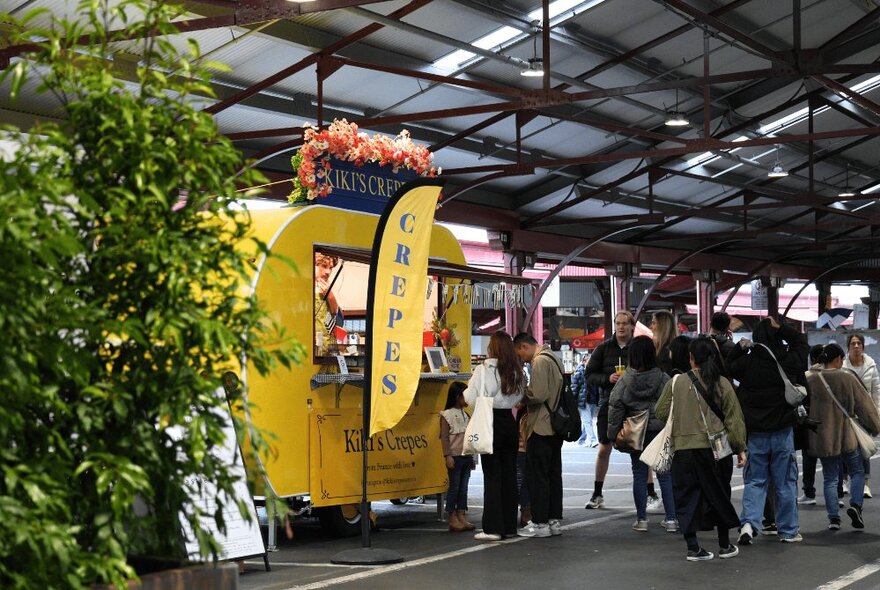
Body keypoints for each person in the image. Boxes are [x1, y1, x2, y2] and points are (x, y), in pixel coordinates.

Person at [655, 337, 747, 562]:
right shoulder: (722, 383)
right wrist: (740, 448)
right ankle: (725, 545)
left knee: (687, 496)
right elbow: (734, 420)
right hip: (718, 449)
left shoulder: (676, 382)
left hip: (684, 448)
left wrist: (682, 420)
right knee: (719, 494)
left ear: (691, 358)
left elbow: (660, 411)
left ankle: (693, 547)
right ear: (713, 357)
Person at [727, 316, 808, 545]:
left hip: (755, 433)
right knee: (785, 483)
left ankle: (749, 524)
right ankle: (789, 531)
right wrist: (782, 329)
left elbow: (727, 367)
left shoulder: (747, 363)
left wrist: (739, 350)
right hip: (782, 430)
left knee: (755, 481)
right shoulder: (786, 359)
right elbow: (802, 344)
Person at [805, 343, 880, 530]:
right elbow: (864, 405)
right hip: (846, 435)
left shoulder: (809, 378)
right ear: (838, 359)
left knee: (830, 477)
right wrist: (875, 427)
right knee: (856, 471)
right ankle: (855, 505)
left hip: (822, 435)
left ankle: (834, 519)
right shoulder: (847, 377)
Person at [607, 335, 677, 532]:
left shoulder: (624, 380)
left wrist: (613, 435)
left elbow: (615, 407)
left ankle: (642, 519)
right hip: (659, 432)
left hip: (635, 432)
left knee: (639, 474)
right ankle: (671, 519)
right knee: (664, 474)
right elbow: (673, 404)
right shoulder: (663, 378)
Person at [464, 331, 525, 541]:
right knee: (509, 475)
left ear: (492, 348)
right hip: (509, 422)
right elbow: (520, 396)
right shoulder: (517, 371)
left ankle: (492, 528)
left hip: (489, 421)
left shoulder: (483, 370)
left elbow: (470, 397)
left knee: (492, 476)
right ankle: (509, 526)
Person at [514, 332, 564, 538]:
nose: (522, 359)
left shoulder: (540, 361)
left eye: (520, 354)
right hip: (555, 426)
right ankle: (553, 520)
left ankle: (541, 523)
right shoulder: (554, 358)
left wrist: (521, 395)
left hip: (541, 425)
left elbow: (538, 394)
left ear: (524, 346)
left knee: (539, 477)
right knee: (553, 475)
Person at [584, 311, 635, 509]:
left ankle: (649, 492)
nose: (621, 327)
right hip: (608, 404)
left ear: (632, 326)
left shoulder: (638, 348)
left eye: (624, 323)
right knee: (604, 448)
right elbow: (589, 375)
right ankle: (597, 493)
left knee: (638, 450)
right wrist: (607, 379)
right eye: (618, 323)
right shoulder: (603, 349)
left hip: (633, 405)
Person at [843, 333, 880, 498]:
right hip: (847, 413)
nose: (856, 346)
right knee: (845, 448)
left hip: (865, 413)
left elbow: (876, 391)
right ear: (848, 347)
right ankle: (843, 481)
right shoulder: (842, 365)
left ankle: (865, 484)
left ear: (863, 346)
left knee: (864, 448)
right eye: (853, 343)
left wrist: (876, 413)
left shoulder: (871, 365)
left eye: (859, 343)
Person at [440, 381, 476, 532]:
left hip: (466, 456)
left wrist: (473, 457)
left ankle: (461, 514)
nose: (467, 399)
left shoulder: (466, 415)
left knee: (463, 488)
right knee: (454, 487)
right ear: (457, 396)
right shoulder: (446, 415)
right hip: (455, 456)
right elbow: (444, 437)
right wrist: (447, 455)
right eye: (464, 396)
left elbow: (470, 438)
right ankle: (452, 515)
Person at [797, 344, 825, 506]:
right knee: (832, 459)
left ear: (812, 358)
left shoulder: (806, 376)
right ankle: (836, 493)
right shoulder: (837, 375)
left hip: (810, 422)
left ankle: (809, 492)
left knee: (809, 459)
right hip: (830, 422)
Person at [314, 252, 344, 356]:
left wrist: (330, 296)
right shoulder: (302, 288)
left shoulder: (333, 290)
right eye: (323, 266)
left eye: (330, 267)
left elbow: (339, 323)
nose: (328, 271)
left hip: (329, 349)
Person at [572, 355, 599, 446]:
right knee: (588, 421)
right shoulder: (579, 372)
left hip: (593, 399)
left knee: (588, 420)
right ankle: (592, 440)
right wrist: (572, 401)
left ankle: (581, 439)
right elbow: (574, 387)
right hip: (583, 401)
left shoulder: (595, 372)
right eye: (589, 361)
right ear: (584, 362)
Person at [651, 310, 678, 376]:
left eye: (654, 323)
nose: (651, 327)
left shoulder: (666, 351)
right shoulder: (674, 347)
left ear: (662, 326)